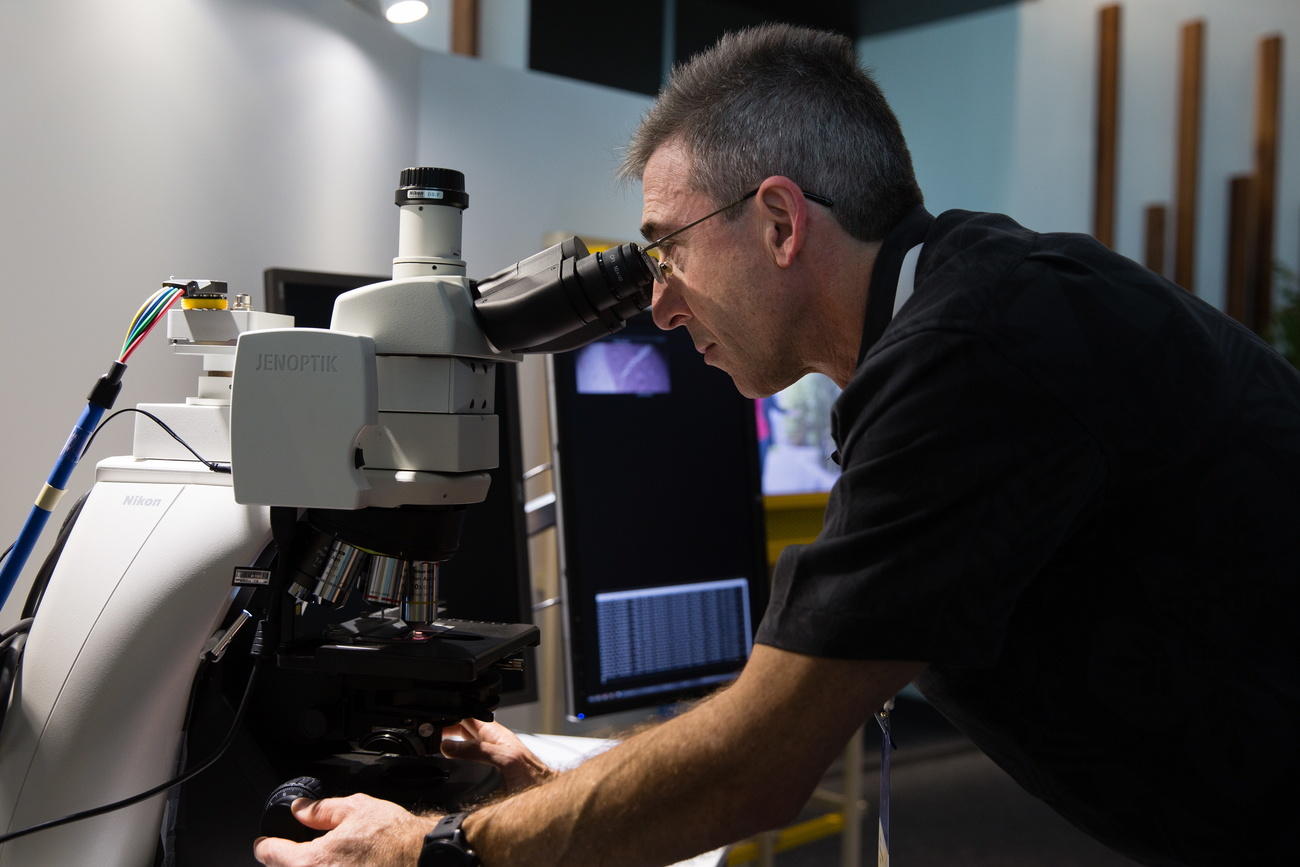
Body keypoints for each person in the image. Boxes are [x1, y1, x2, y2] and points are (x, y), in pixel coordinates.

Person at [254, 23, 1299, 867]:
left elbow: (759, 760)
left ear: (780, 224)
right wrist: (570, 802)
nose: (657, 306)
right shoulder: (968, 301)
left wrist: (429, 850)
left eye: (664, 250)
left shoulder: (979, 355)